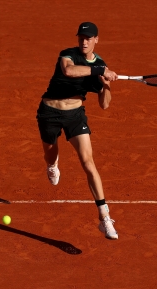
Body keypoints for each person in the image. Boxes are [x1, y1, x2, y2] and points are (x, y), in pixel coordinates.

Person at [36, 22, 119, 240]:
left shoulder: (100, 65)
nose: (84, 41)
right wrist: (100, 70)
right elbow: (69, 71)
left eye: (88, 38)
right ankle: (52, 164)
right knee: (50, 154)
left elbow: (105, 104)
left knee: (88, 162)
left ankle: (105, 217)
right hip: (49, 113)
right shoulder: (68, 55)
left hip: (75, 116)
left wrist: (105, 85)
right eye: (81, 37)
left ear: (96, 40)